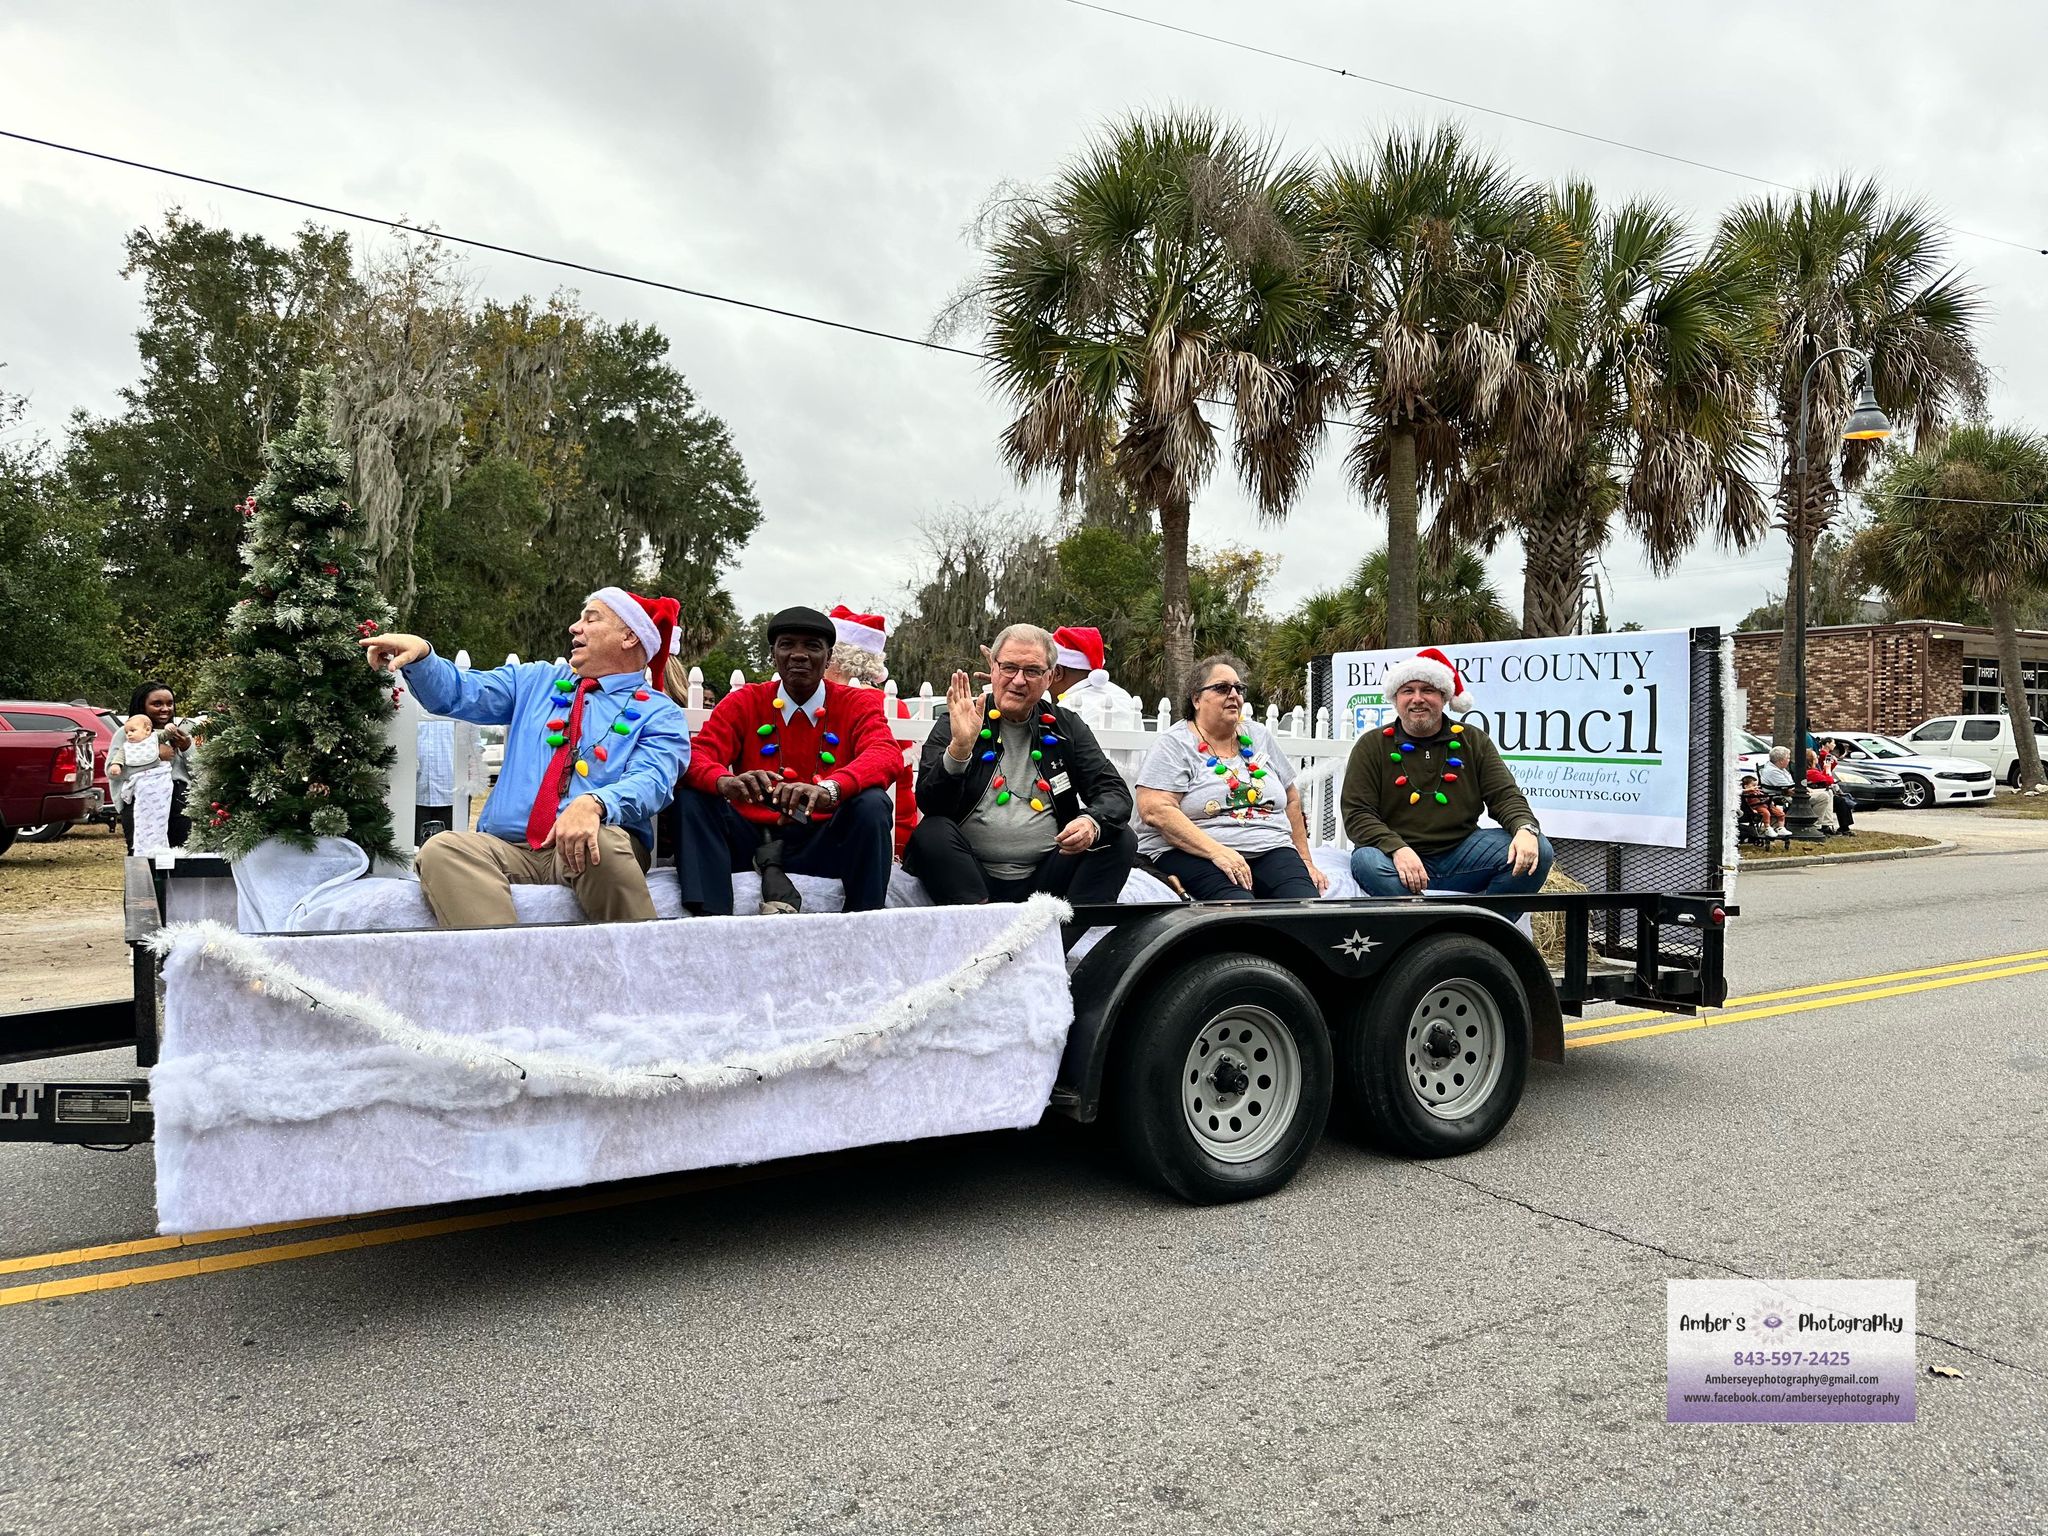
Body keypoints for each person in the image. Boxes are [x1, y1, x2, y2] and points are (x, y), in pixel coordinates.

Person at [359, 587, 689, 928]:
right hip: (508, 849)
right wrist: (424, 657)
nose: (575, 628)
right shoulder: (535, 681)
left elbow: (653, 780)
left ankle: (639, 972)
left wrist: (595, 803)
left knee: (601, 842)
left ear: (630, 637)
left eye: (591, 619)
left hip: (592, 848)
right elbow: (461, 692)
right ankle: (504, 967)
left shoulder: (660, 713)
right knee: (443, 849)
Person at [671, 605, 901, 915]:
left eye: (812, 646)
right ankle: (710, 919)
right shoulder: (745, 700)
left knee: (873, 804)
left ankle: (864, 918)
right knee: (693, 796)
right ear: (773, 654)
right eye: (787, 644)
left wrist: (830, 789)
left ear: (829, 657)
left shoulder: (855, 702)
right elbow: (697, 754)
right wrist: (725, 782)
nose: (799, 654)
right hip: (750, 839)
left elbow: (885, 753)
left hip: (822, 842)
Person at [904, 623, 1137, 905]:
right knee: (932, 832)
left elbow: (1113, 792)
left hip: (1047, 877)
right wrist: (960, 750)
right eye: (1009, 667)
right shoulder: (959, 723)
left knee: (1120, 838)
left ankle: (1064, 939)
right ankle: (983, 930)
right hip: (970, 876)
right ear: (993, 669)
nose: (1018, 680)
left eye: (1032, 671)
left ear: (1050, 677)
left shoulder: (1065, 727)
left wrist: (1090, 822)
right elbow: (931, 803)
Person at [1343, 646, 1553, 897]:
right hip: (1395, 859)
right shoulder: (1372, 744)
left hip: (1463, 854)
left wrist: (1524, 828)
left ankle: (1481, 929)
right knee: (1367, 861)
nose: (1417, 698)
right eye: (1408, 690)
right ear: (1395, 699)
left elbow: (1504, 795)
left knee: (1539, 849)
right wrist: (1397, 848)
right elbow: (1357, 813)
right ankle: (1429, 930)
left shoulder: (1473, 740)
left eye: (1428, 690)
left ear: (1444, 697)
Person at [1135, 655, 1328, 900]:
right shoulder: (1174, 744)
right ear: (1196, 699)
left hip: (1270, 846)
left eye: (1239, 688)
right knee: (1238, 911)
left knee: (1302, 906)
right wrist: (1217, 852)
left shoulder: (1258, 735)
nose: (1234, 694)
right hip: (1194, 852)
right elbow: (1155, 809)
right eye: (1222, 688)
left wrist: (1305, 860)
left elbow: (1291, 798)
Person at [824, 604, 918, 860]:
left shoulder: (837, 703)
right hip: (899, 828)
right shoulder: (894, 704)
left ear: (838, 660)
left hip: (859, 828)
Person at [1050, 624, 1144, 777]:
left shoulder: (1065, 709)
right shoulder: (1124, 697)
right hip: (1132, 793)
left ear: (1058, 673)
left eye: (1046, 672)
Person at [119, 680, 195, 854]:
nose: (165, 709)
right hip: (141, 802)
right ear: (142, 706)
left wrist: (186, 747)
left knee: (179, 855)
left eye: (170, 703)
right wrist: (154, 754)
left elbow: (198, 772)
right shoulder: (127, 734)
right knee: (142, 855)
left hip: (178, 801)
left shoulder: (180, 733)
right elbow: (115, 770)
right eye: (157, 704)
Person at [110, 713, 177, 856]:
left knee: (160, 822)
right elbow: (116, 762)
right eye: (127, 732)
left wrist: (170, 730)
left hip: (161, 784)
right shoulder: (126, 745)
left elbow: (166, 735)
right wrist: (116, 765)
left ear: (147, 730)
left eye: (132, 731)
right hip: (141, 787)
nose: (129, 735)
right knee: (142, 823)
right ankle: (142, 855)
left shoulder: (154, 738)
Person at [1806, 747, 1856, 837]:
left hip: (1822, 791)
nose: (1817, 758)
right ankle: (1834, 827)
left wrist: (1827, 768)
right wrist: (1828, 769)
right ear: (1811, 760)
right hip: (1818, 793)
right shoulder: (1810, 772)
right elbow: (1828, 781)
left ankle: (1844, 827)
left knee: (1842, 801)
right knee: (1840, 802)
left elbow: (1824, 777)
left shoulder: (1815, 770)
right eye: (1815, 757)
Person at [1740, 772, 1788, 840]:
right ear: (1746, 786)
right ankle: (1767, 827)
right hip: (1758, 806)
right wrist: (1751, 809)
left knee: (1781, 814)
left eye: (1757, 785)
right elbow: (1746, 804)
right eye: (1753, 785)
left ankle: (1781, 828)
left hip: (1767, 805)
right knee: (1766, 813)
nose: (1756, 787)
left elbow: (1765, 797)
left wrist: (1768, 799)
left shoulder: (1759, 792)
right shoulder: (1747, 794)